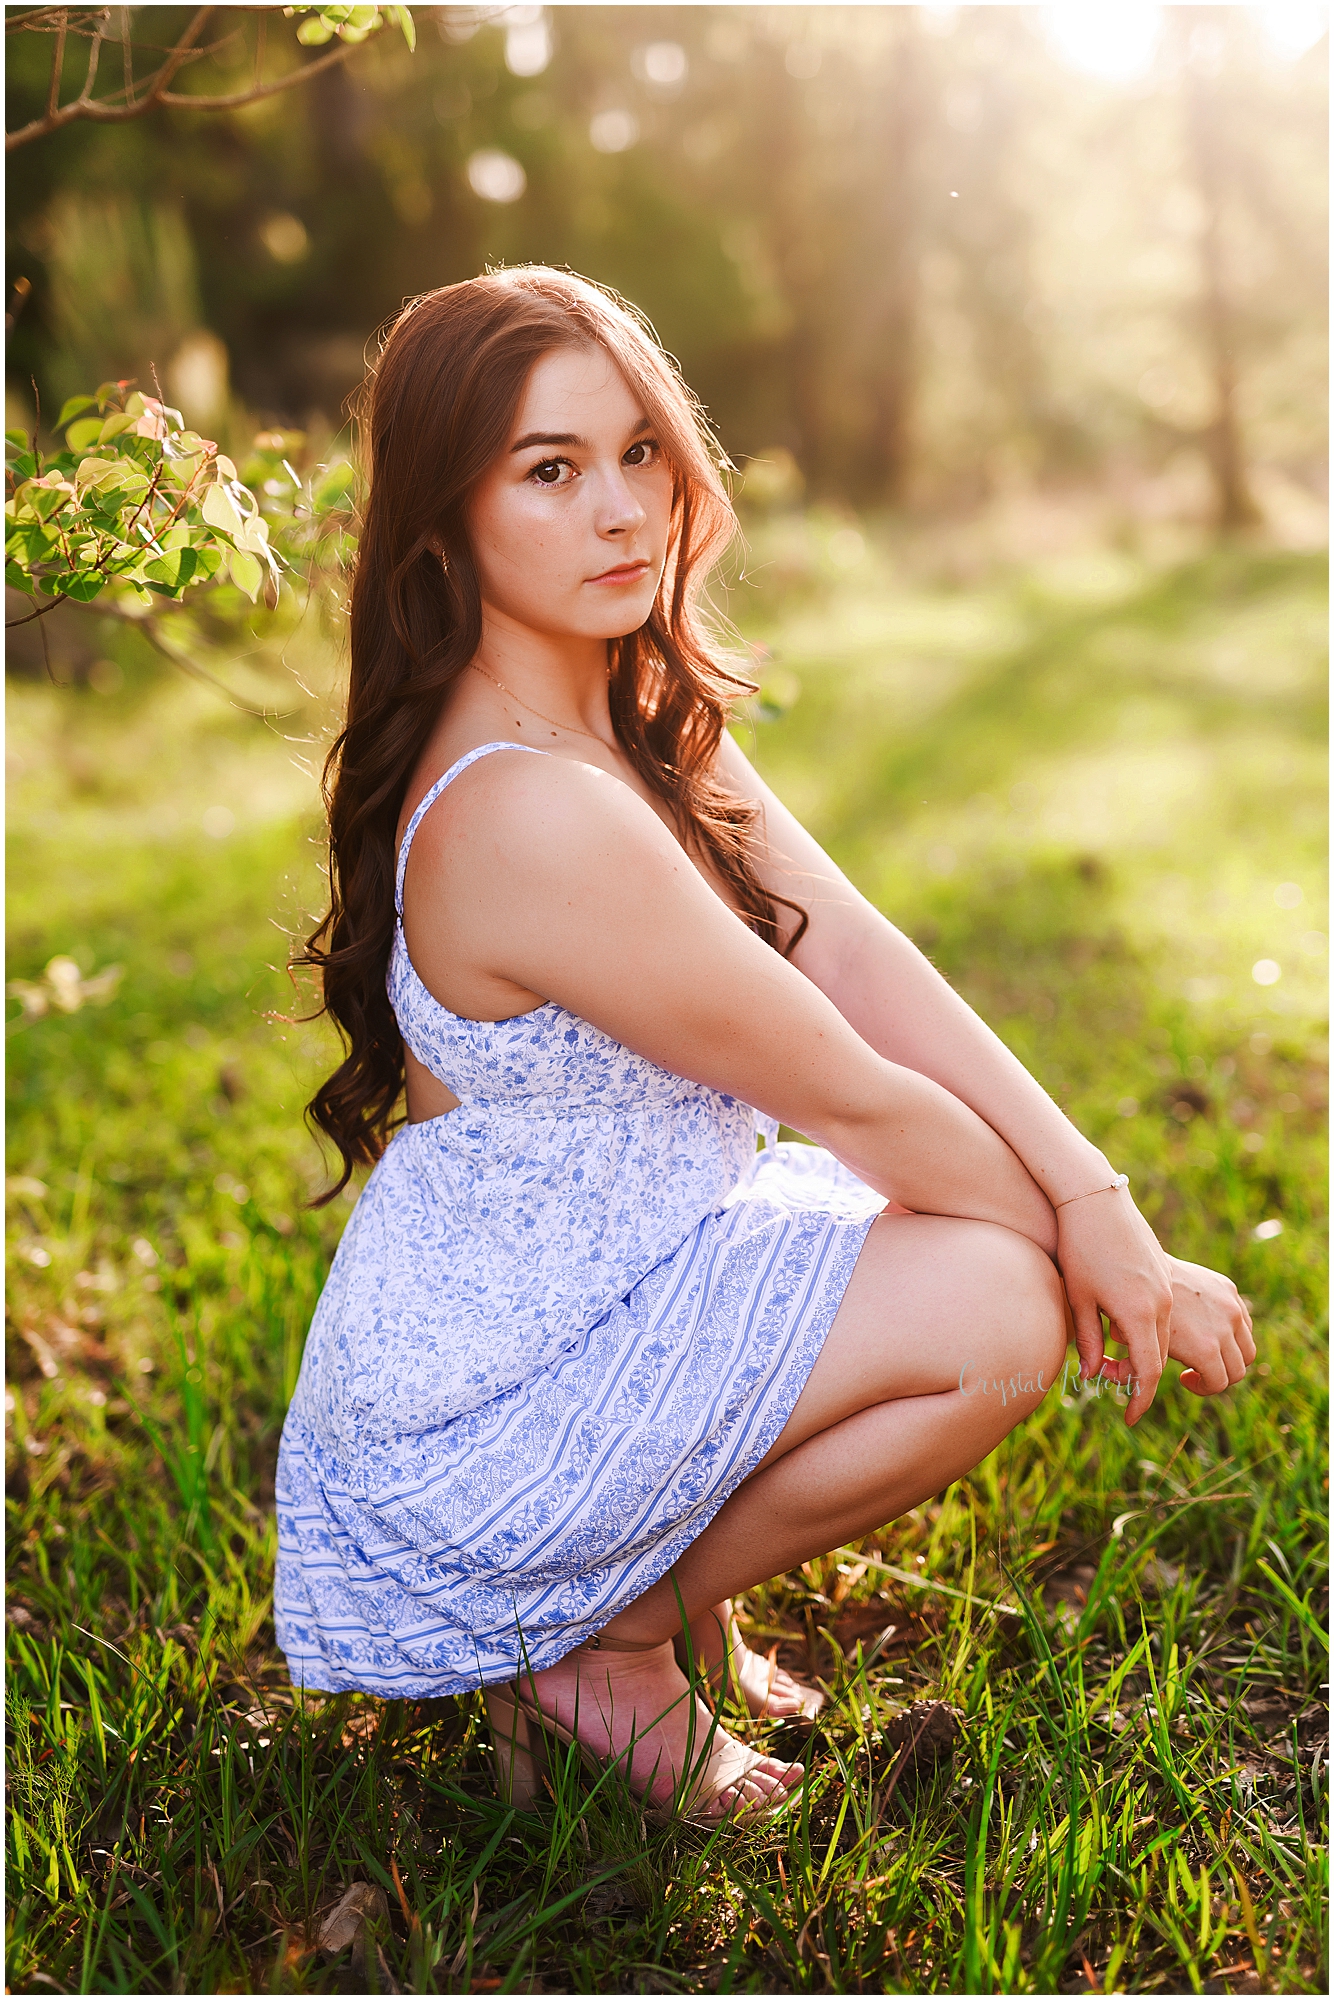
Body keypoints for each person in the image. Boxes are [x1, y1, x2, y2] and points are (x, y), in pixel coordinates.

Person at [274, 266, 1255, 1825]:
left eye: (638, 452)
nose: (622, 510)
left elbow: (849, 950)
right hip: (489, 1406)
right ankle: (597, 1641)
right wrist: (1081, 1259)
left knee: (994, 1241)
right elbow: (847, 1091)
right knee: (998, 1304)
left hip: (603, 1290)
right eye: (549, 470)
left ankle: (655, 1600)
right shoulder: (530, 810)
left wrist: (1095, 1197)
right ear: (442, 522)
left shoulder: (629, 711)